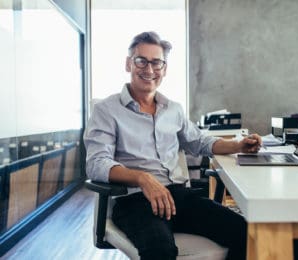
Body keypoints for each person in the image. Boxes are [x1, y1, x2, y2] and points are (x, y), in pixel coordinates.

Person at [83, 31, 262, 260]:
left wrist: (238, 145)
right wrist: (143, 178)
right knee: (160, 251)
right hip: (135, 202)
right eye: (141, 60)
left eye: (156, 62)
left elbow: (199, 142)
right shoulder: (106, 110)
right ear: (129, 64)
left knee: (247, 233)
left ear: (164, 69)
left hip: (178, 197)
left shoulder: (173, 109)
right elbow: (97, 163)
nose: (149, 70)